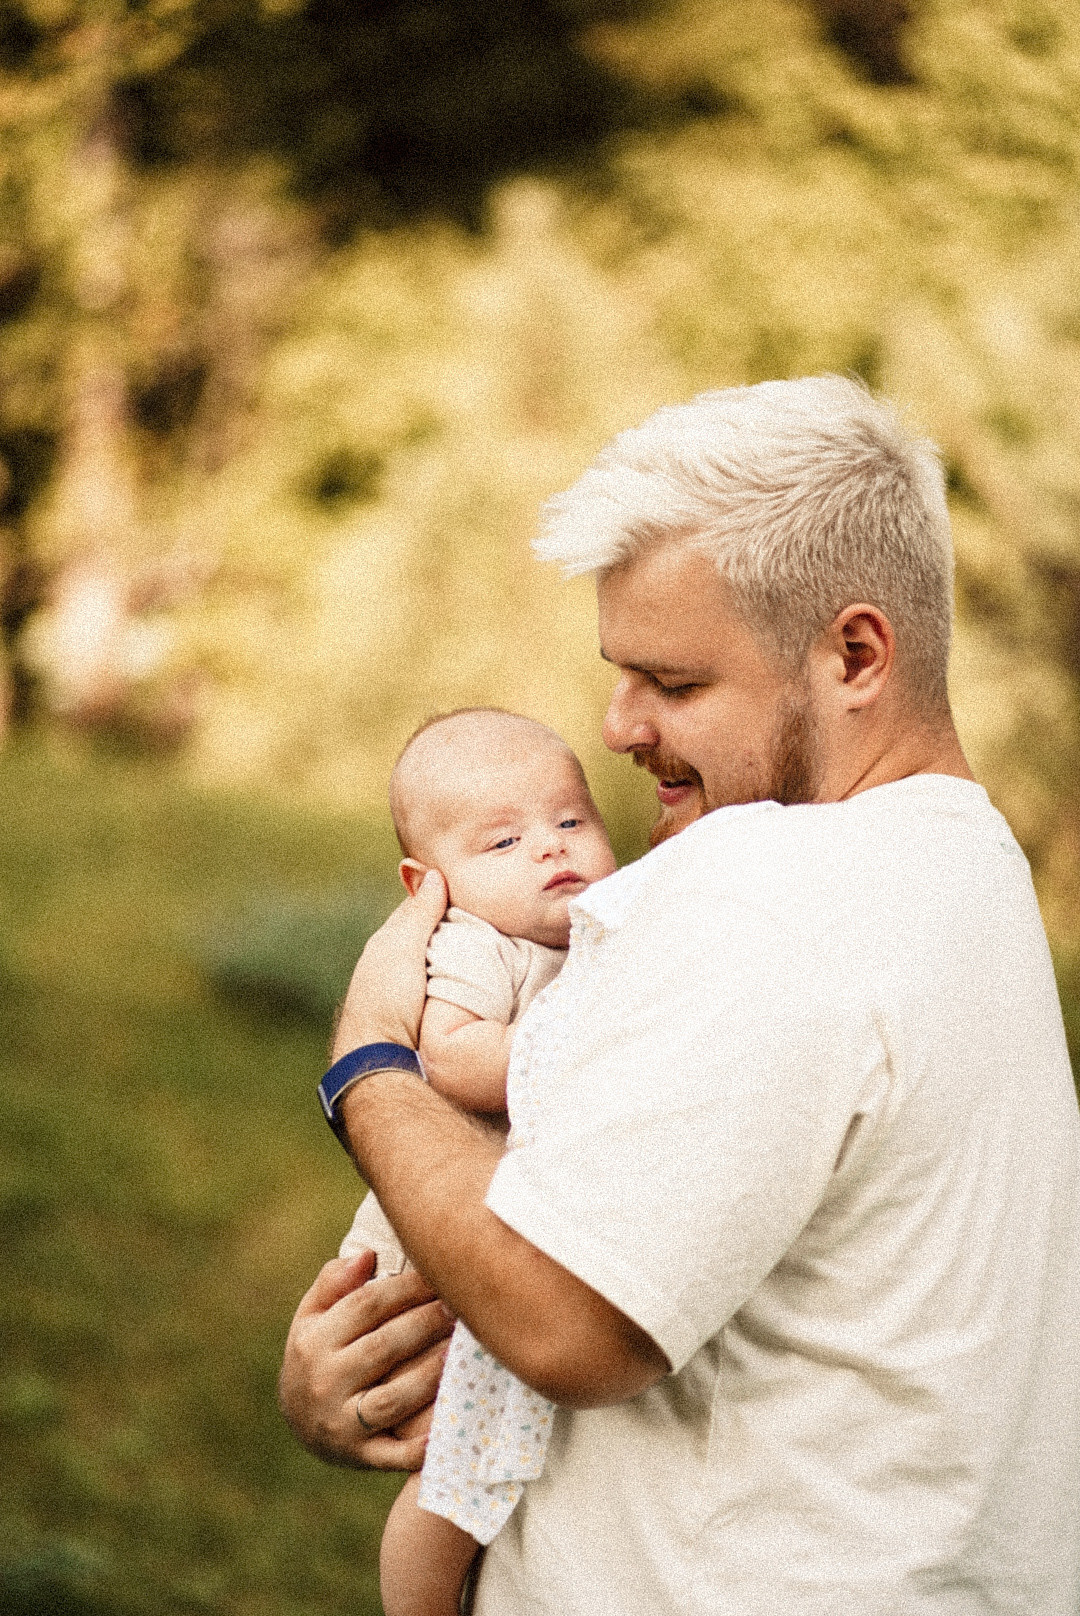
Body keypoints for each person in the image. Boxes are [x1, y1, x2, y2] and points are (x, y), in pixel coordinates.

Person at [280, 376, 1080, 1614]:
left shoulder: (768, 888)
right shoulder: (966, 867)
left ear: (855, 653)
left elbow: (562, 1321)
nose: (617, 724)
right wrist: (386, 1364)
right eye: (619, 672)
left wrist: (368, 1065)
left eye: (675, 682)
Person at [343, 707, 616, 1616]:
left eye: (572, 821)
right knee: (452, 1483)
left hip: (501, 1238)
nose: (550, 849)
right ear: (431, 883)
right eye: (504, 840)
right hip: (436, 1257)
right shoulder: (474, 945)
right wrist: (582, 1045)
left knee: (494, 1461)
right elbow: (452, 1059)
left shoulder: (594, 942)